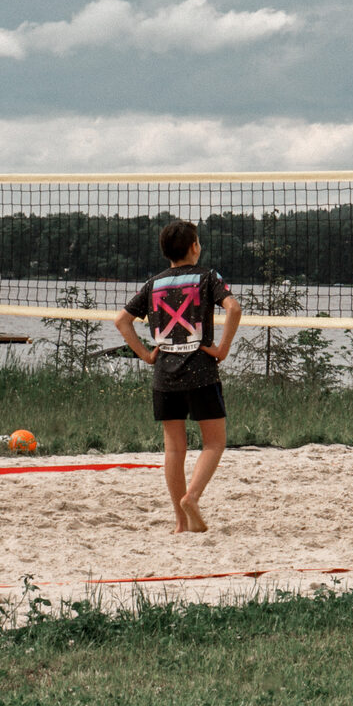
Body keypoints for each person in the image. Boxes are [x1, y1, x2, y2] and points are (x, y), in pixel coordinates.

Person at [116, 220, 241, 532]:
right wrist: (222, 348)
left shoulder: (153, 283)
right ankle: (192, 497)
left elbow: (121, 321)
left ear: (165, 252)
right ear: (195, 247)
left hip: (165, 377)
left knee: (174, 449)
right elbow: (234, 309)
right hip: (201, 373)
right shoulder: (207, 277)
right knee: (214, 443)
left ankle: (180, 522)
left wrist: (146, 355)